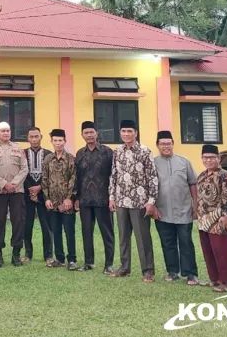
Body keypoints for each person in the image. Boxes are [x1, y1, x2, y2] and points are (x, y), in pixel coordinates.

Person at [109, 120, 159, 283]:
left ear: (135, 133)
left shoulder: (145, 151)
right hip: (122, 200)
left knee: (142, 237)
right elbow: (114, 175)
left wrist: (151, 200)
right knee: (123, 236)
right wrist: (112, 197)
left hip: (139, 202)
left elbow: (152, 177)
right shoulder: (117, 151)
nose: (126, 134)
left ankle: (148, 270)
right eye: (123, 131)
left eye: (129, 131)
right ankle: (124, 267)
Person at [153, 130, 200, 285]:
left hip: (184, 209)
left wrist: (195, 203)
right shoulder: (153, 163)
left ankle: (191, 273)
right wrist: (153, 206)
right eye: (162, 144)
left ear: (173, 144)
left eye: (168, 143)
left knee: (186, 241)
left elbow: (192, 183)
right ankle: (172, 271)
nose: (166, 146)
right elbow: (149, 187)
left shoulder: (183, 161)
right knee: (167, 242)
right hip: (162, 210)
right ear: (158, 146)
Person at [75, 121, 115, 274]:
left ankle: (109, 264)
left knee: (107, 232)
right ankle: (88, 262)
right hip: (85, 200)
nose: (89, 135)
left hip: (103, 199)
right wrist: (76, 198)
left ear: (96, 133)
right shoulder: (80, 153)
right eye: (86, 133)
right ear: (82, 135)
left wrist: (112, 197)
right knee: (86, 232)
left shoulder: (107, 152)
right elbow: (77, 177)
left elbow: (114, 176)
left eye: (92, 132)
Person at [196, 144, 227, 293]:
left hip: (219, 218)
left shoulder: (225, 175)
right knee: (208, 250)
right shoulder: (201, 175)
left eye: (212, 157)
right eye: (205, 157)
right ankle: (215, 279)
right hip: (203, 219)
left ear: (218, 158)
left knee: (223, 250)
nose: (208, 160)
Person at [0, 121, 29, 267]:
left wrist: (13, 184)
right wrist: (4, 184)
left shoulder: (18, 149)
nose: (6, 133)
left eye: (8, 131)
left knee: (18, 222)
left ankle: (16, 254)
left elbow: (24, 169)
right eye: (3, 131)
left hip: (17, 192)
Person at [42, 129, 78, 270]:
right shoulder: (48, 159)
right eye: (55, 140)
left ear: (65, 141)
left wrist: (69, 198)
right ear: (51, 142)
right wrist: (46, 198)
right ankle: (59, 258)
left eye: (60, 140)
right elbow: (44, 180)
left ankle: (72, 259)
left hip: (66, 203)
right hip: (53, 202)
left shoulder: (71, 159)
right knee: (55, 231)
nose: (58, 143)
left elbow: (73, 180)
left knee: (69, 231)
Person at [23, 127, 53, 265]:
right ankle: (28, 253)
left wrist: (39, 188)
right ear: (27, 138)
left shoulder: (49, 154)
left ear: (41, 137)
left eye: (36, 136)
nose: (34, 139)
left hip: (45, 195)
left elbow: (51, 175)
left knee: (46, 226)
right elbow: (22, 173)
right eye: (31, 137)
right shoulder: (22, 154)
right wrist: (31, 190)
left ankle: (48, 255)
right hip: (27, 195)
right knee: (26, 225)